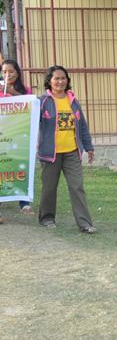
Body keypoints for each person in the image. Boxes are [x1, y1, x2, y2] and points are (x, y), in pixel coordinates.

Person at [36, 65, 96, 233]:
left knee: (77, 186)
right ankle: (47, 218)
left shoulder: (73, 101)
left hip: (72, 152)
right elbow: (33, 124)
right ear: (49, 81)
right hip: (50, 154)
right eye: (56, 78)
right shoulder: (42, 102)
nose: (60, 81)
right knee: (49, 187)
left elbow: (82, 126)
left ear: (67, 80)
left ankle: (84, 223)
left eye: (63, 78)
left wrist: (89, 147)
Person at [0, 59, 34, 217]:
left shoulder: (25, 90)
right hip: (2, 136)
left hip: (19, 136)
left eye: (11, 71)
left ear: (18, 73)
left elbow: (32, 105)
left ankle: (24, 202)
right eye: (4, 72)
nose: (7, 74)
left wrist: (14, 94)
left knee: (21, 168)